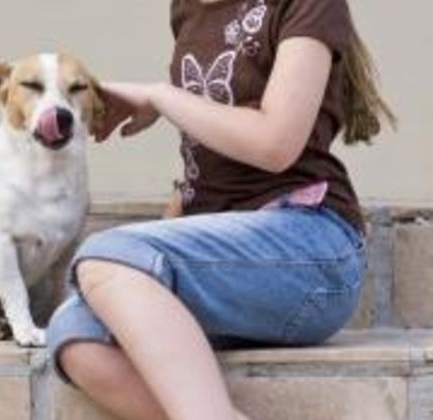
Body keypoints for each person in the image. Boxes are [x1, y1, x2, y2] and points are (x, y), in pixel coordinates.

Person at [46, 0, 395, 419]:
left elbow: (274, 144)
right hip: (228, 257)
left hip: (308, 247)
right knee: (76, 333)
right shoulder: (188, 9)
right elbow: (214, 150)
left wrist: (160, 95)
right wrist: (173, 219)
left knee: (104, 256)